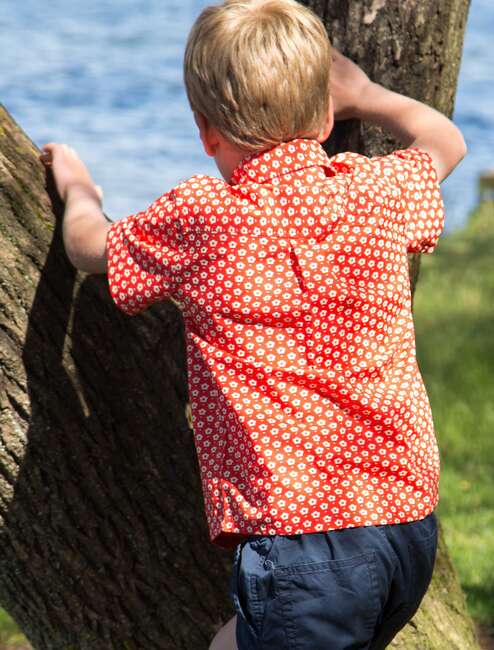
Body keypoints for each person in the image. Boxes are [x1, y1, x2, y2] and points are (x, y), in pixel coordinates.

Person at [40, 1, 466, 647]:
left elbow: (86, 247)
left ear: (205, 129)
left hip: (304, 545)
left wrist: (81, 192)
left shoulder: (202, 218)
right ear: (327, 114)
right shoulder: (374, 193)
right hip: (406, 526)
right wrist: (370, 95)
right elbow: (444, 141)